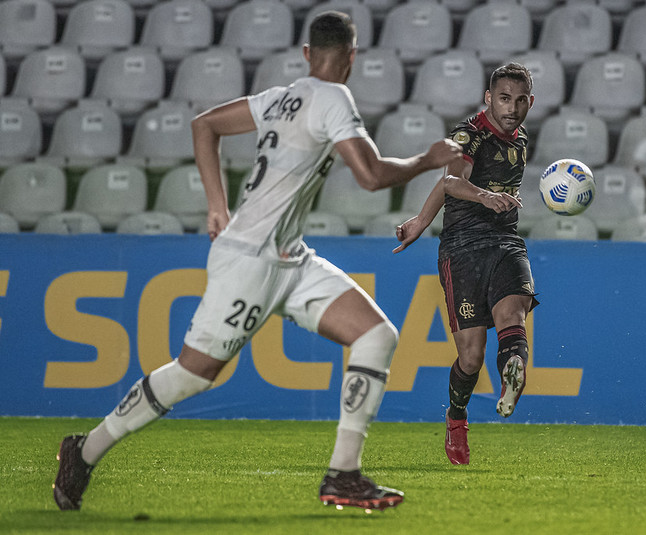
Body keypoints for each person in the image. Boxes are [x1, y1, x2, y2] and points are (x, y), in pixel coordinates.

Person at [53, 11, 461, 512]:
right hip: (248, 260)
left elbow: (205, 125)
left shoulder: (279, 97)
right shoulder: (334, 97)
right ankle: (84, 449)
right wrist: (428, 158)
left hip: (289, 259)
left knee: (377, 335)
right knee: (192, 373)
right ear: (352, 58)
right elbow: (372, 176)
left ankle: (344, 475)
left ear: (307, 54)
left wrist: (216, 204)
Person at [393, 63, 536, 465]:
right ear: (488, 98)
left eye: (520, 100)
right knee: (471, 357)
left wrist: (499, 202)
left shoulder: (521, 135)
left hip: (506, 241)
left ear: (530, 101)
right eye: (504, 99)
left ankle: (512, 370)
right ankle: (457, 417)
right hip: (463, 248)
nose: (512, 108)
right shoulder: (468, 134)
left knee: (514, 312)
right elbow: (451, 182)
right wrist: (425, 221)